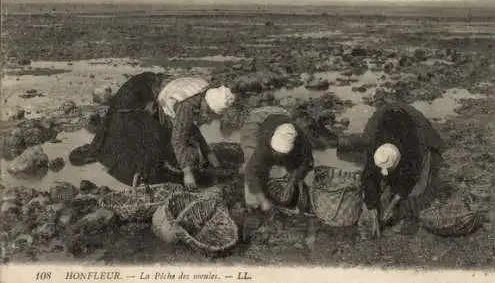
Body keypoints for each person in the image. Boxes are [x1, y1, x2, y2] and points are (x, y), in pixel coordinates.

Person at [69, 72, 235, 193]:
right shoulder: (187, 106)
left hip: (153, 85)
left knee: (163, 136)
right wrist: (187, 173)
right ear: (206, 104)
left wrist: (215, 161)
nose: (209, 118)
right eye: (210, 113)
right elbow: (179, 140)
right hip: (138, 93)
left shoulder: (204, 91)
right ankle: (137, 178)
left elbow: (191, 130)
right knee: (148, 141)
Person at [360, 101, 445, 238]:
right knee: (376, 185)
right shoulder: (374, 150)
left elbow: (409, 177)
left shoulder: (410, 147)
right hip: (383, 121)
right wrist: (373, 213)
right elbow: (369, 178)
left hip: (412, 128)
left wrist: (391, 206)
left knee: (417, 190)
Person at [240, 106, 314, 212]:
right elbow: (251, 171)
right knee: (251, 161)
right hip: (257, 119)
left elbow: (306, 163)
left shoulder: (301, 140)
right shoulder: (264, 145)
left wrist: (291, 183)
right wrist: (263, 201)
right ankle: (253, 202)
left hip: (281, 114)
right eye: (276, 153)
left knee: (290, 166)